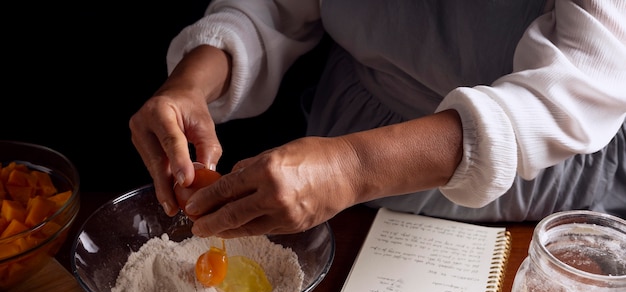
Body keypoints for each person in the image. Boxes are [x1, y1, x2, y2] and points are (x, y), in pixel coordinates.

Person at [130, 0, 626, 239]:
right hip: (343, 137)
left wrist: (352, 167)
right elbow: (277, 7)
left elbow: (574, 90)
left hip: (529, 180)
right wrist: (191, 82)